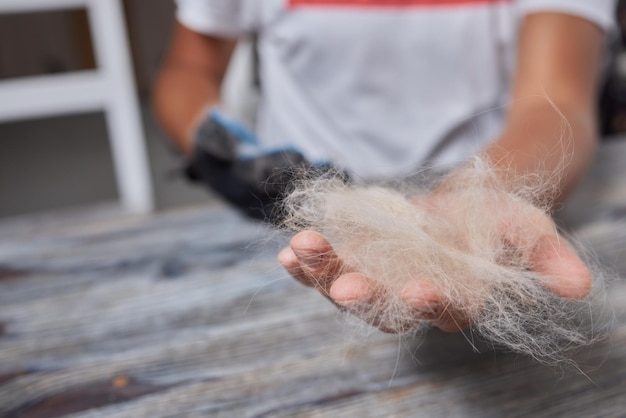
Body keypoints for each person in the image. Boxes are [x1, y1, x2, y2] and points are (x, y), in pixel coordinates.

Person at [153, 0, 617, 333]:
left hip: (470, 220)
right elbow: (188, 69)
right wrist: (217, 142)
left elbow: (556, 103)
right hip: (291, 230)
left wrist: (480, 197)